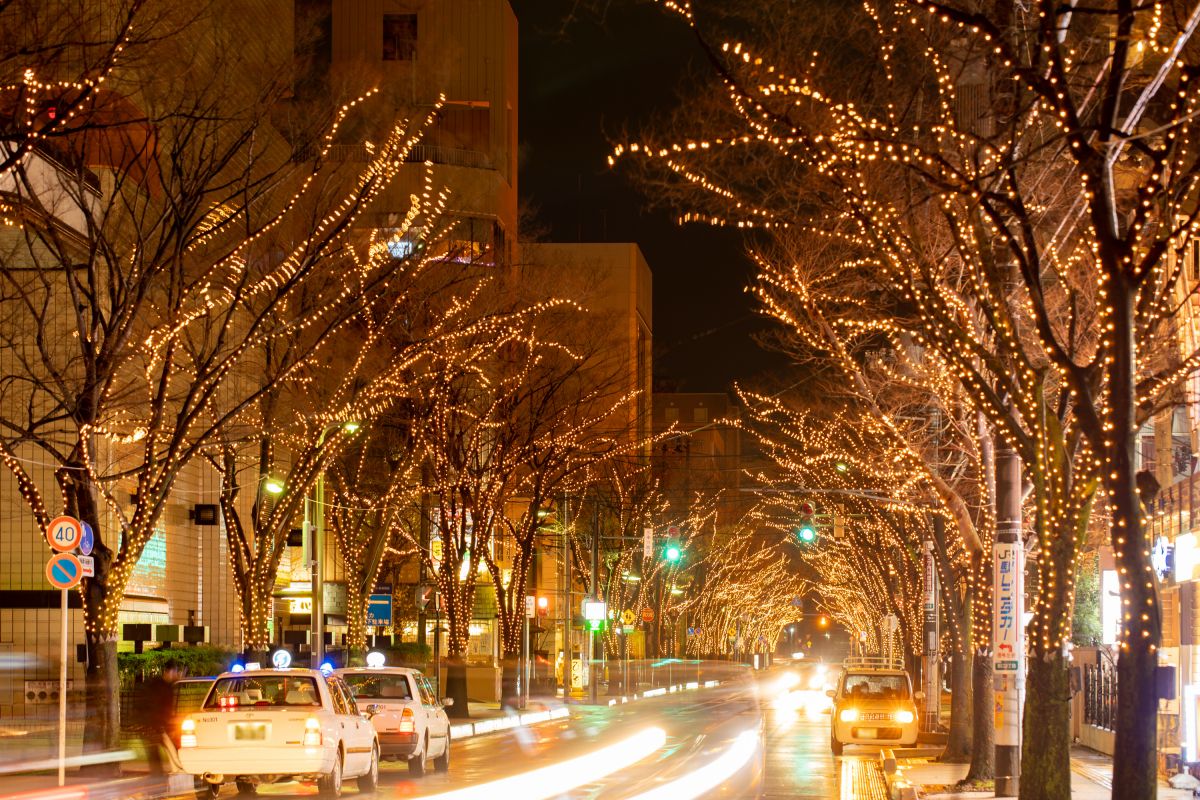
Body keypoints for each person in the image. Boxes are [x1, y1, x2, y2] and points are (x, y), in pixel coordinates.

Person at [138, 658, 183, 777]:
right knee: (164, 751)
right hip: (154, 725)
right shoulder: (163, 687)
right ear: (171, 671)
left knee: (156, 754)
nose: (176, 675)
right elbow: (160, 708)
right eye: (175, 672)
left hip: (153, 725)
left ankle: (159, 778)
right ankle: (163, 777)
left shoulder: (160, 685)